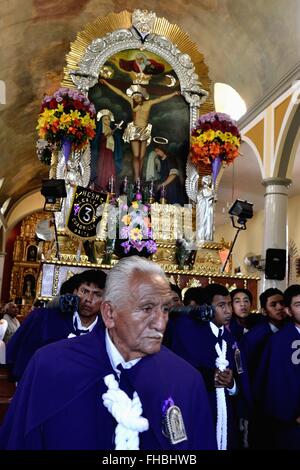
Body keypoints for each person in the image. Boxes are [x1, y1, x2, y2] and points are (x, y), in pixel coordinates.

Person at [0, 257, 216, 450]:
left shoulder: (186, 380)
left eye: (166, 309)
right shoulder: (50, 366)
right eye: (147, 308)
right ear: (109, 313)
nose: (160, 323)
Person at [167, 283, 251, 450]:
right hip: (200, 412)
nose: (228, 311)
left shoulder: (230, 338)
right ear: (206, 308)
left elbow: (240, 379)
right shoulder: (187, 332)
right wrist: (208, 377)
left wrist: (231, 384)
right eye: (221, 305)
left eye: (228, 304)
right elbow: (178, 373)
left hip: (226, 415)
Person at [6, 269, 106, 381]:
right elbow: (18, 360)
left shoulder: (108, 332)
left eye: (97, 294)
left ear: (106, 299)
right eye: (84, 291)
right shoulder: (43, 319)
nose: (89, 299)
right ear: (75, 292)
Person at [100, 78, 180, 181]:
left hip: (145, 130)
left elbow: (161, 99)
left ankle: (139, 176)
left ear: (142, 96)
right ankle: (136, 177)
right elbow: (120, 93)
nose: (136, 98)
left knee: (142, 156)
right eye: (134, 96)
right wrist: (106, 83)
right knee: (136, 155)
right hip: (134, 130)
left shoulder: (149, 103)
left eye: (138, 96)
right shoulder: (132, 103)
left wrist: (173, 93)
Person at [256, 284, 300, 449]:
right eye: (298, 305)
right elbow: (276, 383)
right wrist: (292, 414)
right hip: (291, 421)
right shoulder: (279, 341)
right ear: (288, 311)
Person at [90, 109, 122, 192]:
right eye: (105, 119)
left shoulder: (111, 131)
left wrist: (113, 135)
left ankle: (110, 191)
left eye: (108, 119)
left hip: (110, 154)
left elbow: (115, 143)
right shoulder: (101, 131)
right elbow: (98, 141)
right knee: (102, 171)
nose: (107, 121)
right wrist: (107, 135)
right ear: (102, 121)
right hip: (103, 154)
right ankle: (102, 189)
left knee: (110, 171)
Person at [196, 175, 215, 241]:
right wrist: (212, 195)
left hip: (208, 208)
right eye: (206, 180)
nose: (207, 182)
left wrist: (213, 195)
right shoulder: (203, 190)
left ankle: (207, 236)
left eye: (208, 180)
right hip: (203, 208)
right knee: (202, 221)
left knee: (208, 221)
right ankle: (203, 237)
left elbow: (212, 199)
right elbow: (207, 196)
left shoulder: (209, 189)